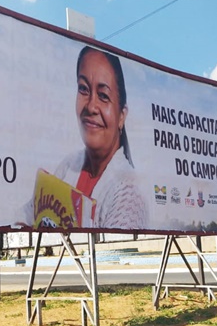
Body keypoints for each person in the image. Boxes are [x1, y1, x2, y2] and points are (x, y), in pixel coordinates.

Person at [22, 46, 147, 230]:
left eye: (103, 96)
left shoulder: (128, 192)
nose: (91, 106)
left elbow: (111, 251)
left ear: (122, 116)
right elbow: (26, 215)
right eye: (83, 89)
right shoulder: (70, 165)